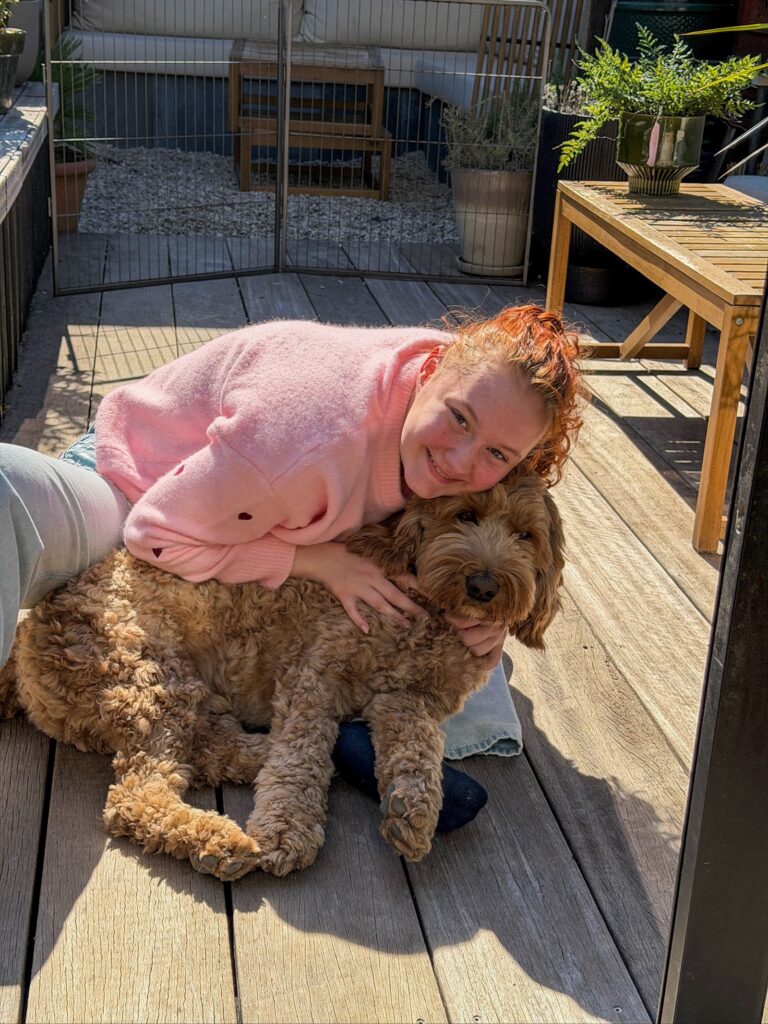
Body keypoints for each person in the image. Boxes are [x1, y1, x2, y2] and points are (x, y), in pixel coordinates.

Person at [0, 304, 585, 831]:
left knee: (462, 679)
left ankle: (318, 727)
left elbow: (501, 533)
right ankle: (323, 737)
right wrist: (317, 561)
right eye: (458, 420)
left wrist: (489, 620)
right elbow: (153, 537)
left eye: (497, 455)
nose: (462, 460)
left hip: (264, 521)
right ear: (432, 372)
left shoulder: (481, 387)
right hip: (143, 490)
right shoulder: (307, 433)